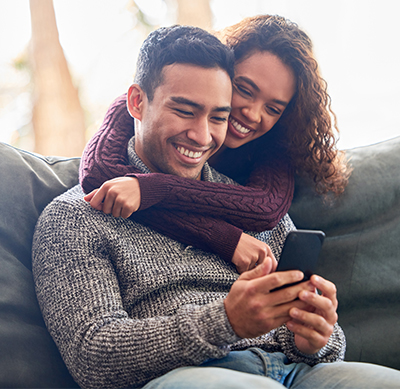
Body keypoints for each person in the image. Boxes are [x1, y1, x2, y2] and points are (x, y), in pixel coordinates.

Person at [32, 25, 400, 389]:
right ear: (137, 102)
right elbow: (93, 357)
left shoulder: (257, 209)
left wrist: (318, 334)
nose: (202, 136)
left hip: (303, 373)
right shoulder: (75, 218)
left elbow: (327, 346)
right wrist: (225, 321)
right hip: (192, 375)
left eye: (218, 116)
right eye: (185, 110)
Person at [80, 15, 351, 274]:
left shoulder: (274, 147)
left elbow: (265, 209)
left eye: (273, 108)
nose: (252, 114)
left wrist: (151, 188)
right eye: (244, 90)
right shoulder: (138, 107)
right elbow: (99, 174)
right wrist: (225, 238)